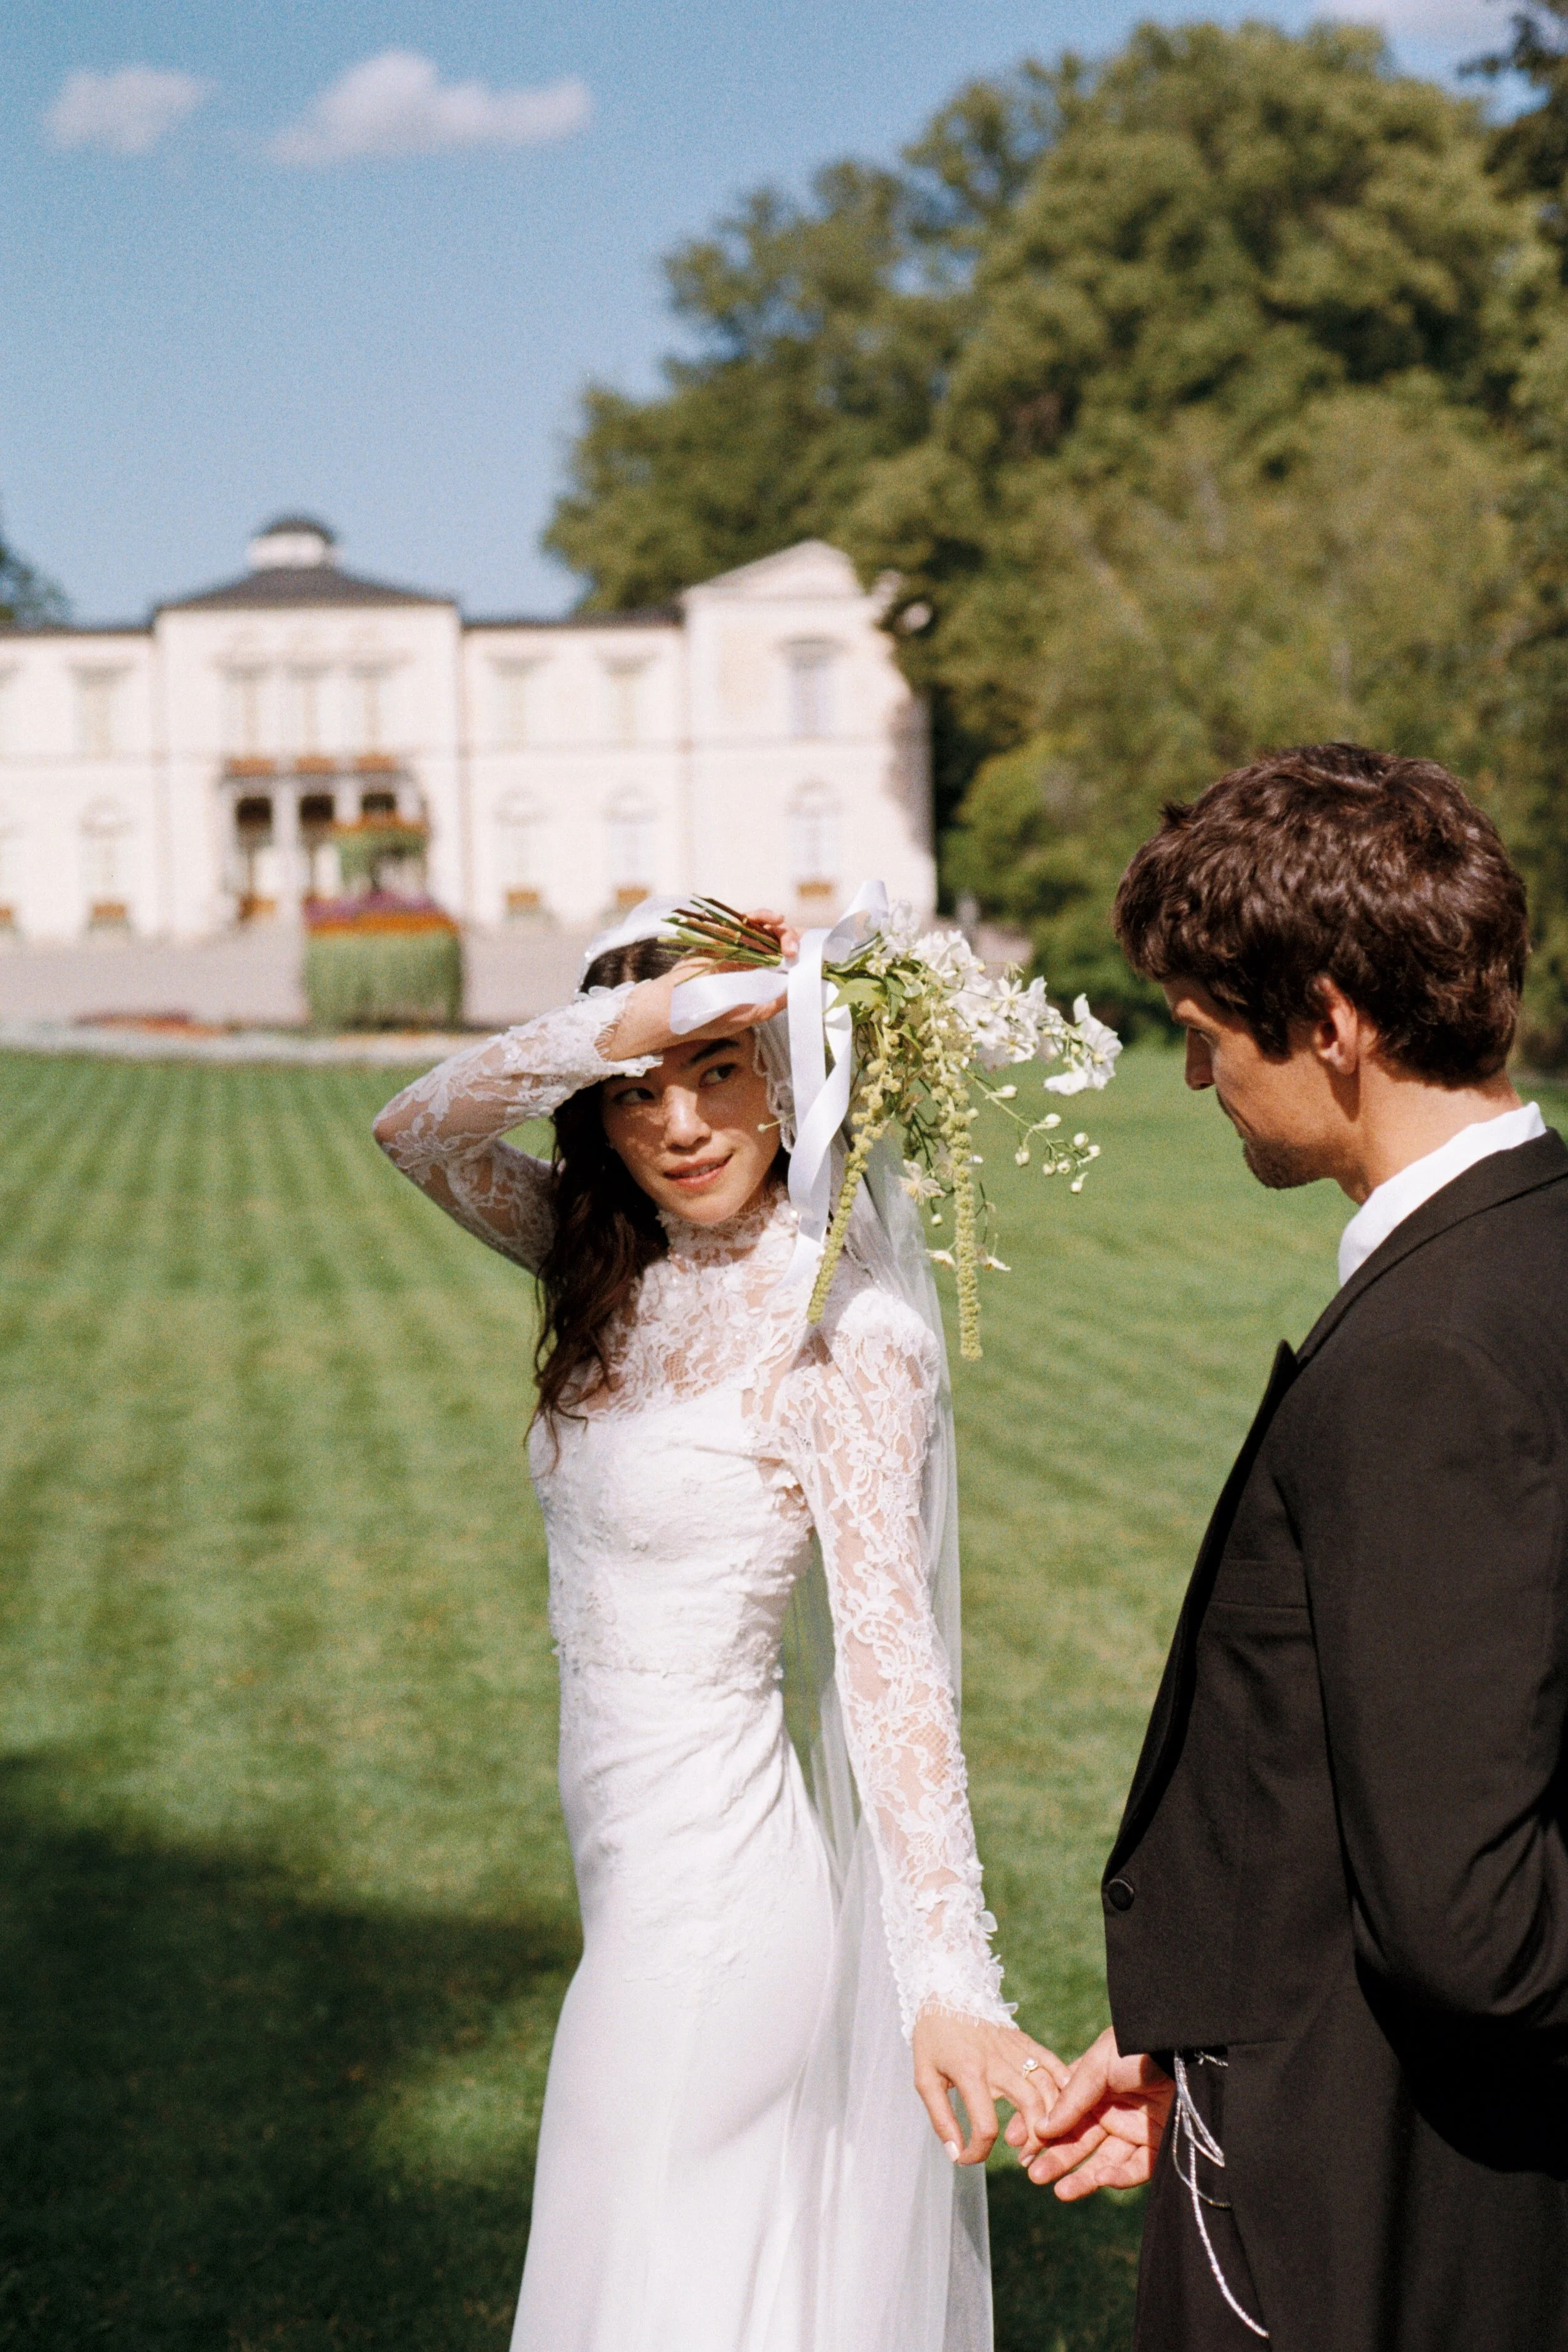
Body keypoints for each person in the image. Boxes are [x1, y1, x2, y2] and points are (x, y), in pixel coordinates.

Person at [372, 905, 1061, 2352]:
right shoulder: (601, 1260)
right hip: (628, 1866)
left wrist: (948, 1981)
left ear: (799, 1070)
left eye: (723, 1071)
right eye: (635, 1092)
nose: (678, 1125)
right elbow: (414, 1128)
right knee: (700, 2285)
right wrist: (640, 1019)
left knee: (620, 2276)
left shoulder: (842, 1331)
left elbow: (892, 1668)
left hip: (717, 1905)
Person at [1012, 744, 1568, 2350]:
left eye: (1199, 1033)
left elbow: (1466, 1920)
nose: (1193, 1080)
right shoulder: (1529, 1244)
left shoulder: (1428, 1356)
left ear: (1326, 1020)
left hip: (1367, 2209)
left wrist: (1262, 2073)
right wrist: (1197, 2009)